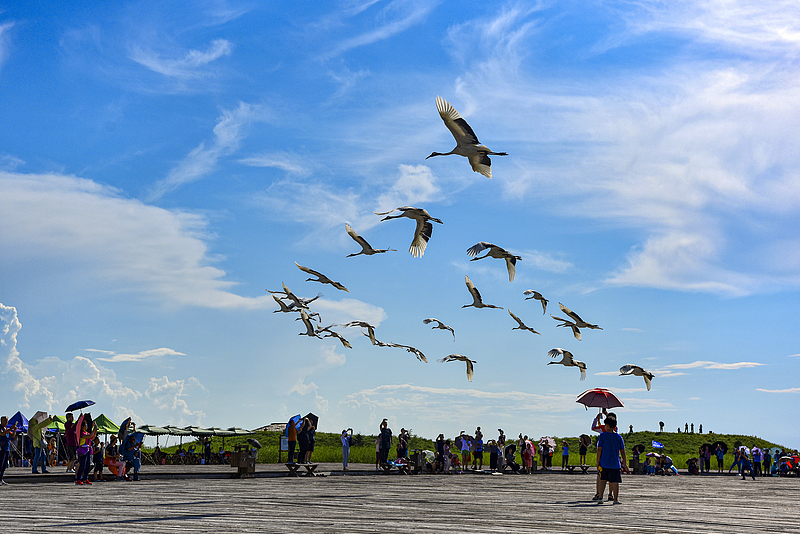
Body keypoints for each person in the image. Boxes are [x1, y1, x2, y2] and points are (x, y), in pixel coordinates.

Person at [595, 416, 629, 504]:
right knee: (615, 482)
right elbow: (623, 451)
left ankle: (600, 497)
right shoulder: (618, 437)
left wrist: (597, 461)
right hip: (615, 463)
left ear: (606, 425)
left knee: (603, 480)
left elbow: (599, 449)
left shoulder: (602, 436)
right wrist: (624, 462)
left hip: (604, 462)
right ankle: (615, 499)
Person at [75, 418, 97, 485]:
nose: (86, 426)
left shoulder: (86, 432)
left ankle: (85, 478)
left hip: (87, 450)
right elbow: (90, 436)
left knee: (88, 465)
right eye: (85, 425)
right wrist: (93, 429)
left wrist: (95, 430)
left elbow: (92, 437)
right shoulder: (81, 433)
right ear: (82, 426)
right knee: (82, 465)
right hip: (82, 450)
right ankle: (78, 479)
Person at [0, 415, 16, 486]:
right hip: (1, 448)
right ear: (1, 421)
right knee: (0, 464)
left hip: (6, 448)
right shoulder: (0, 428)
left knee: (4, 465)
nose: (6, 422)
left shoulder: (6, 428)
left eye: (7, 421)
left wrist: (14, 430)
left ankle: (1, 479)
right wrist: (10, 429)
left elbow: (13, 437)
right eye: (5, 420)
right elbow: (2, 434)